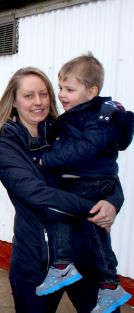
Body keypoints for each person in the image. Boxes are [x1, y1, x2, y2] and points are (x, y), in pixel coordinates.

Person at [0, 67, 125, 312]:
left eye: (44, 94)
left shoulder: (68, 131)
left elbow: (104, 174)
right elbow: (36, 194)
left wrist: (113, 203)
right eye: (29, 95)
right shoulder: (5, 146)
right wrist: (93, 208)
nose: (39, 102)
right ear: (14, 100)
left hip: (86, 256)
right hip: (37, 262)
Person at [35, 54, 133, 311]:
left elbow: (83, 151)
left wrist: (47, 160)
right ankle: (109, 284)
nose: (62, 94)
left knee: (56, 207)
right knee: (94, 228)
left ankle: (62, 264)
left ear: (91, 92)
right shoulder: (81, 116)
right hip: (93, 182)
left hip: (92, 181)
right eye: (60, 88)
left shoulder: (95, 119)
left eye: (69, 89)